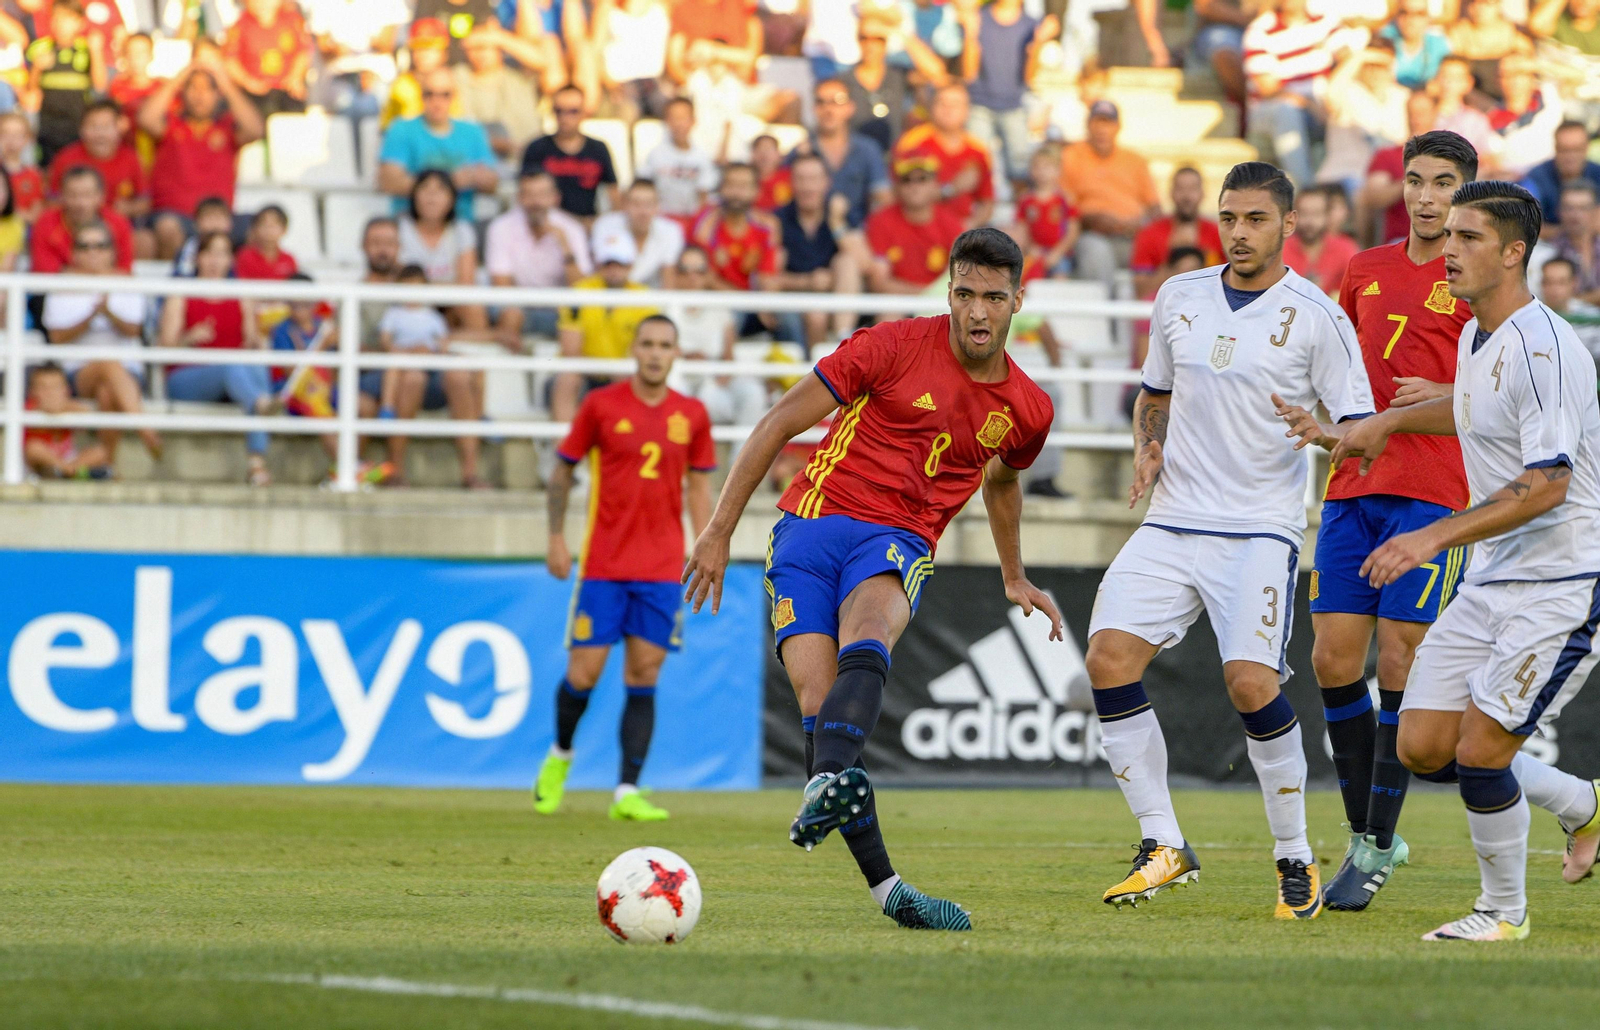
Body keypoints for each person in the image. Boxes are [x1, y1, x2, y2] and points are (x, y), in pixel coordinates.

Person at [680, 226, 1059, 930]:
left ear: (1017, 302)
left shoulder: (1028, 407)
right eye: (966, 294)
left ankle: (826, 789)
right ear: (949, 291)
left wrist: (1013, 573)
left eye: (994, 298)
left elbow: (1003, 480)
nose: (978, 312)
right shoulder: (889, 346)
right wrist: (717, 530)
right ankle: (890, 891)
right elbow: (775, 423)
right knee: (823, 712)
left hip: (898, 537)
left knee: (871, 629)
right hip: (809, 526)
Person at [1087, 162, 1374, 920]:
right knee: (1107, 659)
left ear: (1287, 225)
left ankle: (1295, 858)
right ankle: (1162, 844)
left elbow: (1361, 430)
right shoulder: (1177, 296)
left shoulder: (1317, 316)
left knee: (1253, 685)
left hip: (1257, 530)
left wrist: (1328, 436)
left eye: (1255, 219)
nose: (1239, 232)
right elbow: (1156, 391)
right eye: (1229, 218)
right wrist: (1148, 444)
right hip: (1173, 517)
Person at [1325, 181, 1600, 942]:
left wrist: (1430, 538)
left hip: (1560, 580)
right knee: (1421, 743)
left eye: (1470, 237)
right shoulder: (1480, 334)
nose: (1449, 249)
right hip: (1494, 578)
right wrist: (1386, 422)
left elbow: (1549, 483)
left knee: (1481, 752)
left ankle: (1502, 914)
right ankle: (1584, 805)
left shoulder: (1541, 346)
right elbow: (1474, 406)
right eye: (1449, 235)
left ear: (1514, 253)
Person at [1273, 132, 1478, 910]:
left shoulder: (1480, 282)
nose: (1428, 197)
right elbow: (1347, 375)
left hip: (1433, 492)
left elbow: (1492, 401)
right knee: (1331, 658)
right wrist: (1325, 426)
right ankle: (1373, 828)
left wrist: (1436, 399)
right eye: (1417, 181)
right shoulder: (1363, 270)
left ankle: (1373, 846)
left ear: (1467, 193)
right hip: (1354, 482)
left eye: (1445, 184)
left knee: (1398, 662)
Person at [533, 315, 716, 822]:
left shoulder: (692, 415)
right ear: (634, 350)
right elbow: (562, 471)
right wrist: (555, 538)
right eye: (648, 344)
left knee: (644, 673)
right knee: (583, 674)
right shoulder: (601, 405)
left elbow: (698, 489)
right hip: (603, 566)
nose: (656, 353)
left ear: (676, 354)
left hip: (660, 570)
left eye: (665, 345)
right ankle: (560, 756)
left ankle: (627, 792)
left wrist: (708, 547)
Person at [159, 231, 280, 487]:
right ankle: (261, 408)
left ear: (230, 260)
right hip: (187, 378)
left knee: (253, 371)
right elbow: (164, 348)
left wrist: (258, 339)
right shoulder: (180, 294)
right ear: (199, 258)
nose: (215, 260)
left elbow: (250, 343)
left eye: (222, 253)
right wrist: (189, 338)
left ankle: (256, 463)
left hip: (232, 379)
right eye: (210, 253)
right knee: (235, 368)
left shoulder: (242, 295)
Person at [41, 220, 160, 465]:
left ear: (112, 251)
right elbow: (56, 336)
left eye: (100, 245)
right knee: (108, 363)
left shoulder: (128, 281)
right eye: (84, 246)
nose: (92, 252)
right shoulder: (61, 284)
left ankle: (107, 465)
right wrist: (91, 316)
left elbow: (134, 329)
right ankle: (145, 428)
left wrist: (107, 312)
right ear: (74, 253)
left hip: (126, 374)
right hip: (79, 372)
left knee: (107, 392)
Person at [140, 48, 266, 260]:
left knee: (261, 230)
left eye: (208, 89)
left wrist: (223, 81)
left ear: (218, 95)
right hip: (173, 215)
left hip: (219, 219)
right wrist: (182, 75)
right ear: (183, 91)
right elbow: (146, 119)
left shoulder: (227, 128)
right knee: (167, 228)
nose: (199, 95)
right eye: (193, 88)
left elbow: (256, 130)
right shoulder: (171, 124)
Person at [375, 264, 492, 489]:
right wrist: (410, 352)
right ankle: (395, 470)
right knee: (412, 379)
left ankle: (470, 472)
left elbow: (443, 344)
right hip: (406, 372)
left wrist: (431, 351)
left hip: (435, 368)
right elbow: (386, 343)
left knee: (461, 374)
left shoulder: (432, 317)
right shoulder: (394, 314)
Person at [1241, 0, 1349, 188]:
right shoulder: (1260, 29)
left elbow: (1348, 59)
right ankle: (1306, 188)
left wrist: (1335, 90)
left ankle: (1346, 185)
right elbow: (1268, 89)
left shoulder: (1325, 20)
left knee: (1352, 102)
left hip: (1321, 102)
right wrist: (1310, 105)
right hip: (1271, 109)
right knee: (1287, 111)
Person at [553, 233, 658, 420]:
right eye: (608, 263)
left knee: (636, 380)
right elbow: (570, 351)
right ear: (598, 264)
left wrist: (619, 370)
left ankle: (628, 446)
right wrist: (609, 368)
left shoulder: (645, 299)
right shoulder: (579, 292)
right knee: (568, 379)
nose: (614, 270)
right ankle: (564, 448)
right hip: (586, 374)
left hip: (622, 375)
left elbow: (647, 350)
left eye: (620, 263)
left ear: (630, 265)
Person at [1061, 101, 1160, 292]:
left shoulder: (1135, 160)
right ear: (1088, 125)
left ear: (1117, 127)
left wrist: (1139, 224)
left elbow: (1155, 208)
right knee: (1096, 252)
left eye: (1107, 123)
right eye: (1097, 123)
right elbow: (1063, 206)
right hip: (1090, 234)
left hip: (1132, 236)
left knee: (1163, 252)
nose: (1102, 129)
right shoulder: (1072, 156)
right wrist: (1090, 220)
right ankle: (1103, 320)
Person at [378, 67, 499, 223]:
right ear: (421, 96)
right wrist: (450, 182)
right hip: (410, 223)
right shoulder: (401, 129)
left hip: (460, 224)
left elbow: (492, 182)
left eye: (445, 94)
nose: (437, 101)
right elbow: (389, 181)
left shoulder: (472, 131)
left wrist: (477, 177)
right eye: (430, 94)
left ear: (454, 97)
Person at [487, 169, 594, 341]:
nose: (536, 202)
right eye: (529, 194)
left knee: (577, 323)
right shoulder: (501, 227)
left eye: (542, 194)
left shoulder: (571, 229)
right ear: (519, 198)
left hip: (558, 311)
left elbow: (581, 287)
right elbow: (501, 284)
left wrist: (565, 247)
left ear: (555, 198)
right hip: (517, 309)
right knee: (510, 315)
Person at [773, 154, 867, 348]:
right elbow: (766, 278)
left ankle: (843, 338)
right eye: (801, 179)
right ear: (791, 182)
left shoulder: (840, 215)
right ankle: (823, 370)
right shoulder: (776, 220)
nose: (808, 187)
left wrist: (836, 222)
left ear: (827, 182)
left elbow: (865, 265)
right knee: (816, 315)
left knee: (846, 261)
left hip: (837, 301)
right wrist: (808, 282)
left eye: (814, 179)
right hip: (792, 302)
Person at [959, 0, 1055, 187]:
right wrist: (970, 34)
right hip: (979, 105)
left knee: (1020, 171)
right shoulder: (978, 17)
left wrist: (1038, 42)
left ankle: (1022, 212)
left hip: (1014, 105)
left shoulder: (1032, 25)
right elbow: (969, 73)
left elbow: (1029, 77)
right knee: (977, 169)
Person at [669, 244, 763, 425]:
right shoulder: (667, 306)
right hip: (679, 378)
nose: (692, 277)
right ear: (677, 274)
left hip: (713, 379)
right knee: (698, 398)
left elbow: (728, 356)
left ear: (708, 274)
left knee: (752, 393)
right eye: (685, 270)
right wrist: (689, 358)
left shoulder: (720, 307)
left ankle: (742, 453)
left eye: (699, 270)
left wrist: (719, 377)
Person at [398, 169, 489, 333]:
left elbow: (466, 284)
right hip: (410, 304)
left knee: (473, 308)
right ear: (414, 196)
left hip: (451, 305)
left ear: (452, 198)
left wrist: (424, 286)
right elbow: (401, 281)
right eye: (425, 189)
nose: (432, 197)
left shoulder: (462, 230)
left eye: (440, 190)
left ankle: (463, 349)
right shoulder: (400, 229)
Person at [892, 83, 993, 229]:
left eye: (955, 104)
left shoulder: (978, 150)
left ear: (967, 110)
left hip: (964, 232)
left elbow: (987, 203)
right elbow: (902, 194)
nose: (948, 110)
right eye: (942, 103)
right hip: (920, 230)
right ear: (931, 106)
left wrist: (967, 229)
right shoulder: (913, 143)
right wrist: (951, 189)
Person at [864, 154, 965, 294]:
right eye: (906, 180)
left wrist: (931, 297)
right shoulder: (881, 220)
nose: (914, 186)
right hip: (898, 300)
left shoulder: (951, 223)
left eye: (922, 179)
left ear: (935, 184)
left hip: (938, 304)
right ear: (896, 186)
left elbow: (959, 276)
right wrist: (924, 295)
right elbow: (878, 282)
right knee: (891, 309)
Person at [520, 84, 619, 222]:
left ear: (584, 112)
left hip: (588, 226)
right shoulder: (536, 148)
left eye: (573, 111)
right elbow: (525, 194)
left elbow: (614, 196)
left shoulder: (598, 149)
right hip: (545, 224)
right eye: (559, 110)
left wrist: (599, 224)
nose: (565, 117)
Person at [23, 0, 104, 168]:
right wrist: (37, 68)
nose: (61, 24)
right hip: (47, 128)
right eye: (56, 18)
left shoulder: (86, 49)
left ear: (80, 23)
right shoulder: (40, 47)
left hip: (77, 128)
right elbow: (30, 92)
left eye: (67, 19)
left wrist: (96, 52)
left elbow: (100, 85)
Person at [47, 99, 148, 228]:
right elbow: (51, 201)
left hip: (117, 227)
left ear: (119, 128)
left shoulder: (131, 158)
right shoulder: (65, 158)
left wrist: (128, 209)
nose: (100, 134)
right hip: (73, 227)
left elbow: (145, 201)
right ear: (81, 129)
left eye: (106, 126)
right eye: (93, 126)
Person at [806, 77, 891, 231]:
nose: (828, 109)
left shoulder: (868, 149)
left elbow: (883, 198)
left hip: (859, 233)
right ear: (814, 108)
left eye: (837, 101)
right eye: (821, 102)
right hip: (811, 236)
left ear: (850, 107)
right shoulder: (802, 151)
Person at [454, 25, 546, 159]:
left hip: (527, 162)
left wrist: (500, 37)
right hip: (479, 164)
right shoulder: (458, 76)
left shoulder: (518, 73)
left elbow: (542, 61)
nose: (480, 54)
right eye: (474, 48)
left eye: (485, 47)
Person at [1131, 166, 1224, 299]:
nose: (1186, 196)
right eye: (1180, 189)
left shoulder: (1218, 233)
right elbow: (1140, 292)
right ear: (1171, 193)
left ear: (1202, 193)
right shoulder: (1149, 233)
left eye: (1192, 189)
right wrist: (1174, 264)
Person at [31, 165, 134, 274]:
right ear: (61, 195)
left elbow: (124, 271)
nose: (80, 203)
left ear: (101, 195)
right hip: (58, 290)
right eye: (73, 195)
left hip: (109, 290)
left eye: (87, 195)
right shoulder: (46, 223)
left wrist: (77, 274)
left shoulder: (118, 223)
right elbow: (45, 271)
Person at [222, 0, 313, 117]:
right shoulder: (239, 26)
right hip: (257, 94)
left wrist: (295, 77)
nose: (262, 3)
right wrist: (247, 82)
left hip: (288, 90)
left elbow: (303, 52)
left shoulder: (293, 21)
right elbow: (230, 60)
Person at [590, 178, 685, 288]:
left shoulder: (671, 231)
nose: (643, 211)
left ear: (658, 206)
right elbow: (601, 270)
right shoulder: (605, 225)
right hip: (610, 296)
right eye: (636, 204)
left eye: (649, 204)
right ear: (624, 204)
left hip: (651, 301)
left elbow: (669, 279)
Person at [640, 96, 718, 225]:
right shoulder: (655, 155)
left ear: (693, 121)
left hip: (692, 221)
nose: (678, 123)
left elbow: (704, 195)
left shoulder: (702, 157)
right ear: (666, 121)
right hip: (661, 220)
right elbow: (644, 187)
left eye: (683, 118)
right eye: (673, 118)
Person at [24, 364, 111, 480]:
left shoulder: (69, 406)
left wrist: (63, 408)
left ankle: (66, 471)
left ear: (66, 390)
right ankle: (71, 471)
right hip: (39, 463)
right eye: (43, 387)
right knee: (34, 448)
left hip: (68, 459)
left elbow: (87, 412)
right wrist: (48, 409)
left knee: (100, 452)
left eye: (55, 387)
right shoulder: (28, 408)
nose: (50, 392)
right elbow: (32, 450)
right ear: (32, 391)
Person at [1520, 120, 1600, 232]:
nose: (1571, 157)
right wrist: (1568, 235)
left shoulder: (1597, 173)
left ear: (1587, 148)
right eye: (1564, 150)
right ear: (1556, 148)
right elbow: (1524, 223)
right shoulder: (1536, 178)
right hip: (1547, 245)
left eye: (1577, 149)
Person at [1013, 145, 1079, 279]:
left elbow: (1072, 231)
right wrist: (1031, 248)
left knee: (1060, 276)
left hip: (1060, 254)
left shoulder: (1066, 200)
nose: (1042, 172)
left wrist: (1058, 252)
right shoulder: (1025, 200)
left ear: (1058, 170)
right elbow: (1021, 229)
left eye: (1047, 167)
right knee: (1025, 278)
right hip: (1034, 253)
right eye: (1037, 167)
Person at [1283, 184, 1360, 294]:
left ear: (1327, 216)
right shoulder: (1281, 249)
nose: (1310, 221)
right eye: (1304, 214)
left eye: (1316, 214)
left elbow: (1355, 289)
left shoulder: (1345, 248)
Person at [1537, 254, 1600, 356]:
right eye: (1549, 282)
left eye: (1561, 282)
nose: (1554, 289)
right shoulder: (1530, 317)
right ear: (1541, 284)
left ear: (1574, 283)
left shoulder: (1592, 317)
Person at [1381, 0, 1451, 90]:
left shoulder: (1439, 45)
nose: (1410, 19)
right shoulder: (1384, 39)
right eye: (1404, 12)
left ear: (1429, 18)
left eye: (1419, 13)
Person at [172, 197, 234, 277]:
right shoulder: (190, 247)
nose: (214, 223)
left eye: (218, 217)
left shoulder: (236, 247)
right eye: (208, 217)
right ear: (196, 223)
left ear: (229, 223)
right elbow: (182, 275)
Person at [0, 113, 43, 224]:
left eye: (17, 135)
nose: (11, 140)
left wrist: (14, 214)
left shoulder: (33, 175)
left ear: (28, 139)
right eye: (5, 134)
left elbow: (36, 212)